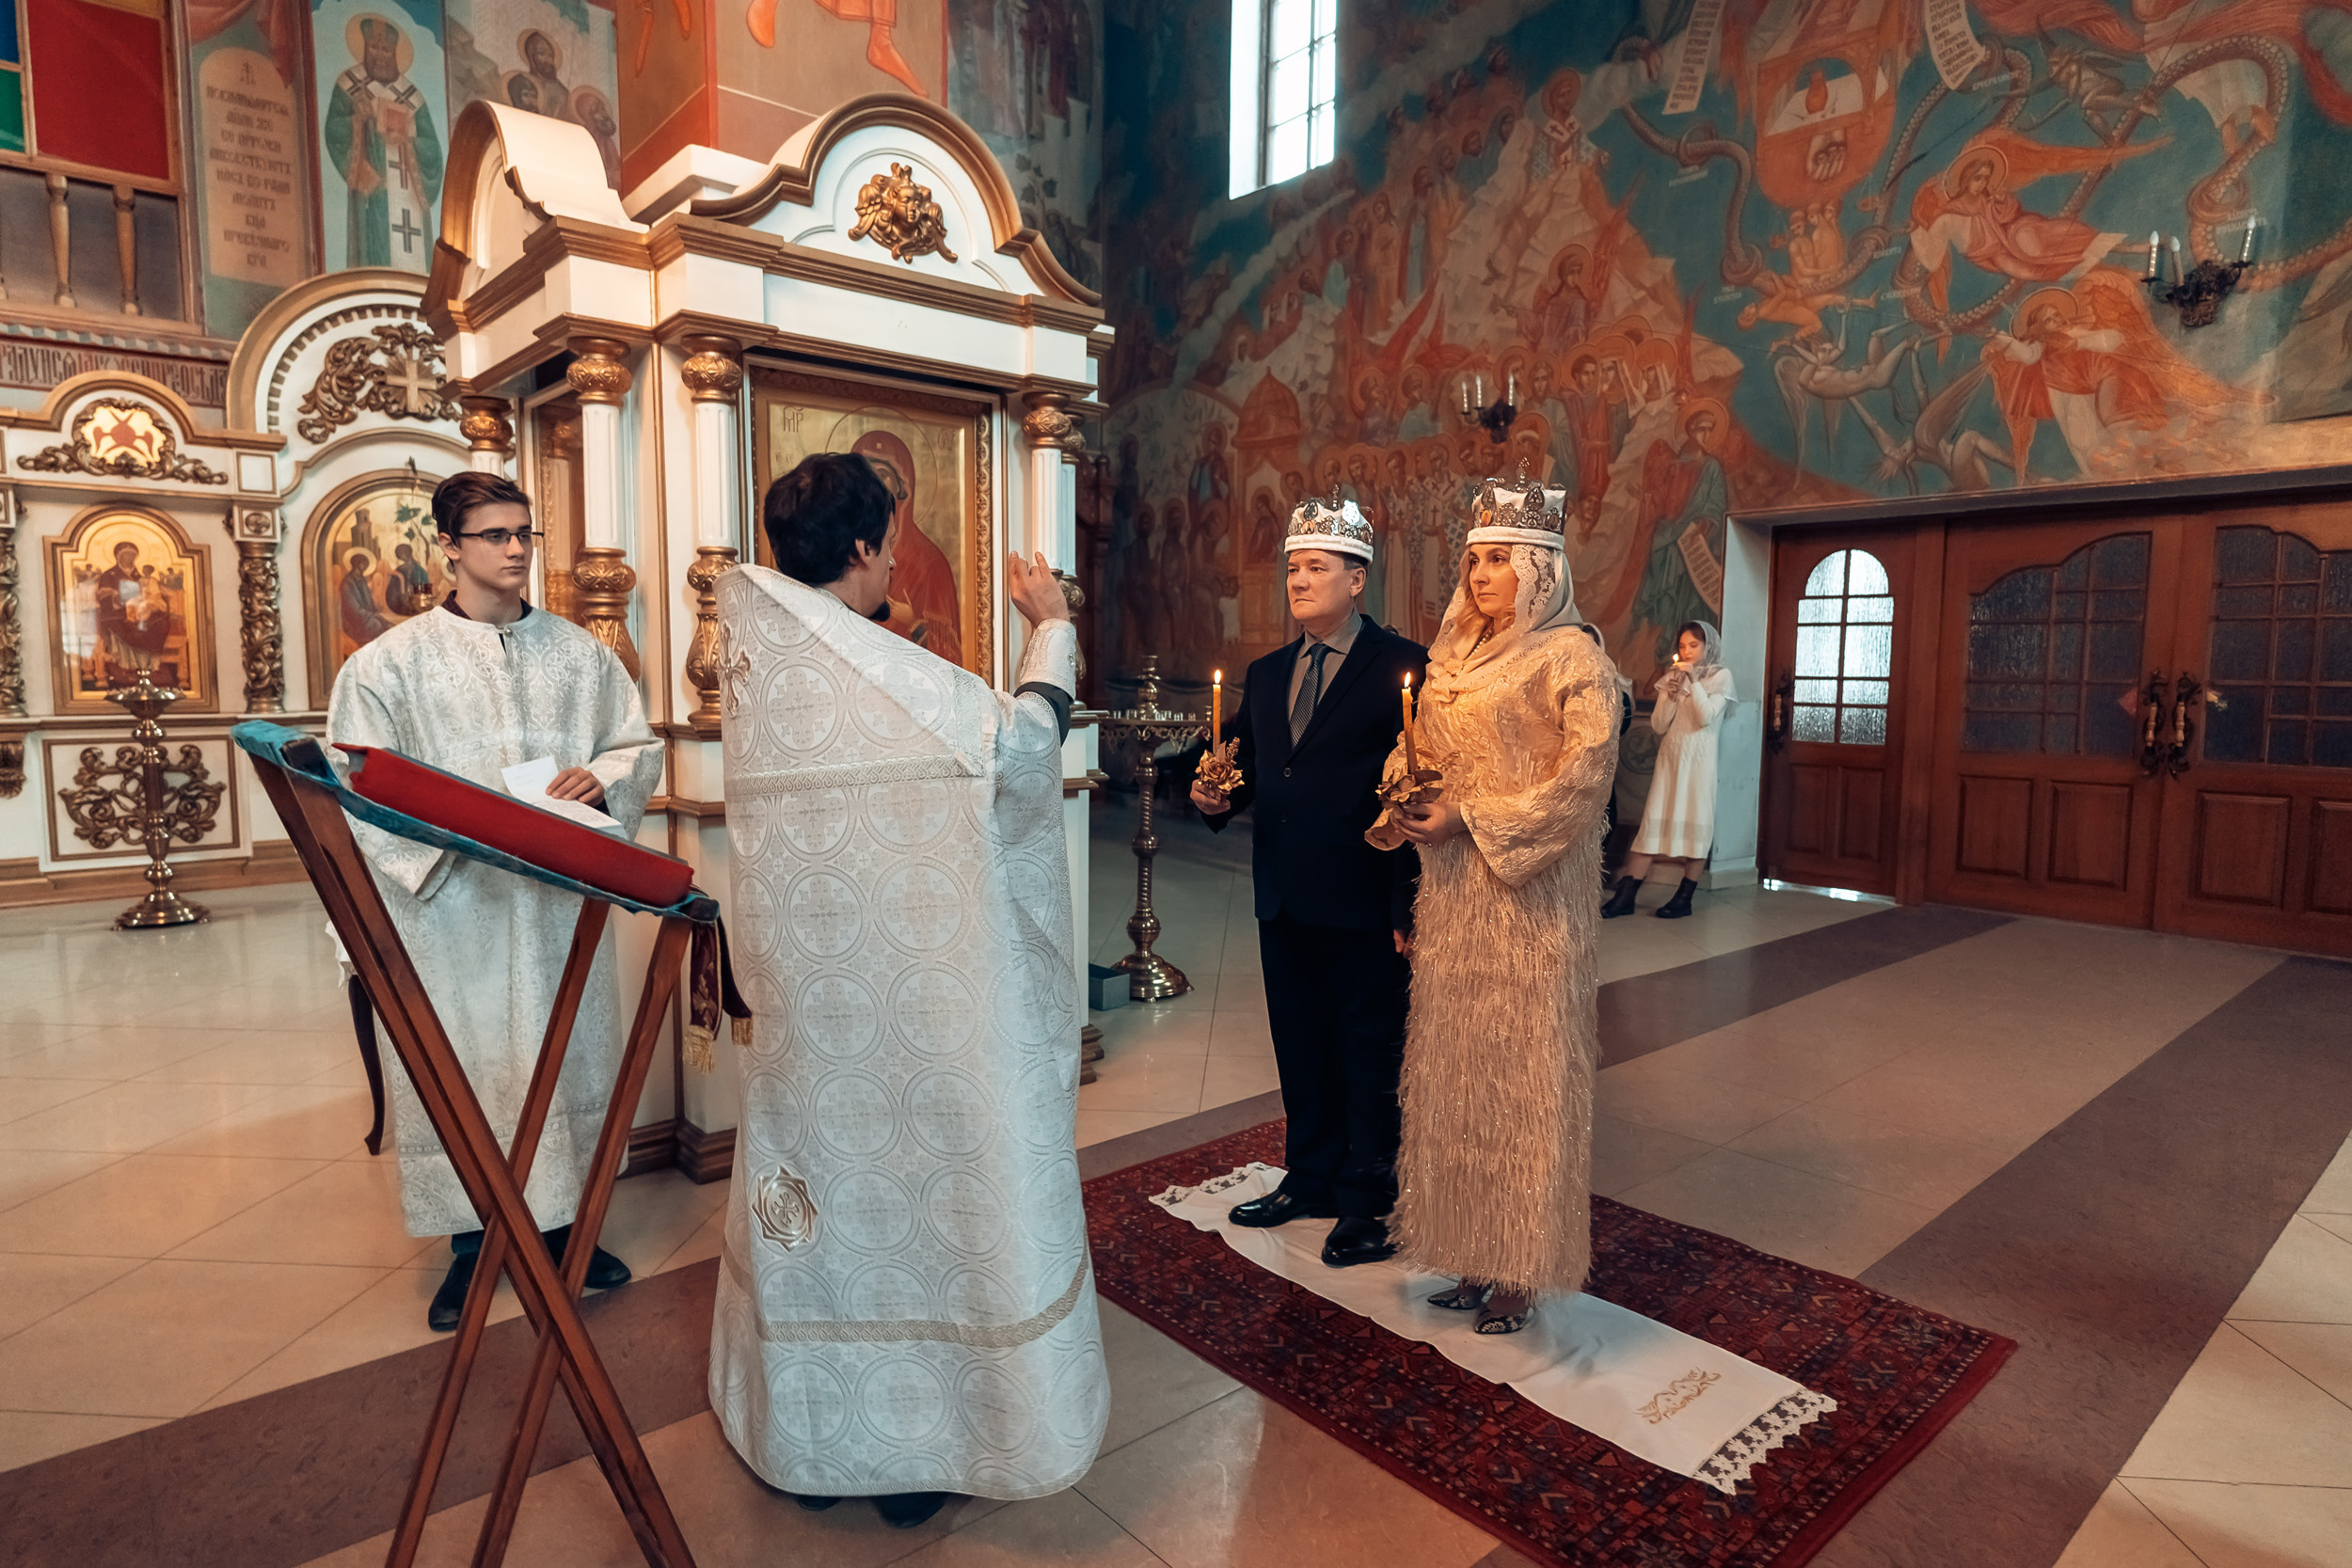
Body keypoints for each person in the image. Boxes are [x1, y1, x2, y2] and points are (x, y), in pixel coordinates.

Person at [709, 453, 1104, 1530]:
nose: (892, 554)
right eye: (886, 536)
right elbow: (1019, 754)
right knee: (917, 1205)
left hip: (811, 1009)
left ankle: (813, 1433)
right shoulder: (898, 679)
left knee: (829, 1205)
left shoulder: (768, 662)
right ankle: (917, 1441)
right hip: (916, 1018)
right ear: (860, 550)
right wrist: (1048, 627)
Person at [327, 471, 660, 1330]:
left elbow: (632, 745)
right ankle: (473, 1247)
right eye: (495, 535)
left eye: (524, 533)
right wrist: (447, 835)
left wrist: (603, 782)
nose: (516, 550)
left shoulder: (581, 655)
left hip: (554, 906)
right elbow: (354, 784)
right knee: (472, 1067)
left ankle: (561, 1232)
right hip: (452, 910)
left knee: (560, 1056)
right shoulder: (387, 665)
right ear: (449, 546)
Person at [1368, 474, 1617, 1334]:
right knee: (1457, 1079)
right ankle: (1471, 1250)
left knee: (1525, 1083)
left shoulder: (1574, 658)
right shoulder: (1454, 658)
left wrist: (1470, 816)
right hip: (1454, 900)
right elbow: (1420, 747)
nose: (1480, 574)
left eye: (1500, 559)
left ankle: (1523, 1266)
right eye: (1473, 558)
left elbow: (1583, 782)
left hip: (1533, 903)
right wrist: (1404, 792)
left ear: (1542, 569)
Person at [1191, 492, 1426, 1269]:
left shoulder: (1401, 667)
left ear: (1357, 578)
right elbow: (1256, 771)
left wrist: (1406, 902)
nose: (1298, 580)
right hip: (1284, 892)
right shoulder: (1264, 674)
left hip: (1362, 895)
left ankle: (1368, 1197)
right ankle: (1313, 1175)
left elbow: (1414, 788)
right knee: (1301, 1043)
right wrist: (1217, 797)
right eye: (1292, 567)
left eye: (1316, 567)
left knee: (1368, 1048)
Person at [1604, 621, 1734, 920]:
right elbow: (1659, 724)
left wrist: (1694, 683)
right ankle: (1626, 896)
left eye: (1694, 645)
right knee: (1652, 824)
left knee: (1696, 824)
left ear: (1708, 647)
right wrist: (1670, 693)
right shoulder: (1674, 675)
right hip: (1671, 758)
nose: (1686, 652)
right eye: (1682, 646)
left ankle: (1684, 897)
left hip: (1699, 763)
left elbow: (1704, 718)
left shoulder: (1721, 678)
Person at [325, 16, 444, 271]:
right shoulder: (349, 85)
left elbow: (433, 149)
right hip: (375, 187)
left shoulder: (412, 97)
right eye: (374, 48)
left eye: (386, 49)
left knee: (411, 248)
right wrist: (358, 118)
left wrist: (409, 137)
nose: (379, 55)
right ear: (365, 49)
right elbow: (334, 130)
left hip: (407, 190)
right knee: (376, 240)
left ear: (395, 54)